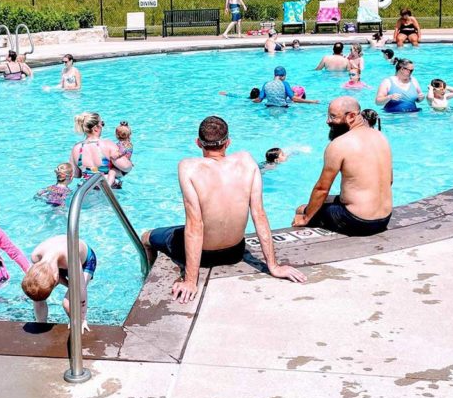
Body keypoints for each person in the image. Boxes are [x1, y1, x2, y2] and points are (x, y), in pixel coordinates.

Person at [142, 116, 306, 303]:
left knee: (146, 237)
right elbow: (258, 214)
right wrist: (274, 266)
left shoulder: (188, 167)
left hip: (204, 256)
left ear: (198, 143)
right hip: (235, 251)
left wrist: (190, 280)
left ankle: (145, 277)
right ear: (228, 142)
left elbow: (195, 225)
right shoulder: (246, 160)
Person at [293, 97, 393, 236]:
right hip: (384, 219)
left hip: (358, 221)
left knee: (302, 209)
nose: (328, 121)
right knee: (327, 201)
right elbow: (390, 181)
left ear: (351, 116)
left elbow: (322, 189)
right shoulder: (380, 137)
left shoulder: (339, 144)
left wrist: (306, 218)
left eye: (333, 116)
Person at [22, 235, 97, 332]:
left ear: (56, 277)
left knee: (67, 303)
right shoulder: (36, 257)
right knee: (37, 295)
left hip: (85, 262)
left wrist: (82, 318)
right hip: (59, 262)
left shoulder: (71, 259)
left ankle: (77, 322)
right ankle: (41, 323)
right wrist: (68, 284)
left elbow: (81, 290)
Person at [69, 112, 133, 187]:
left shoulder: (76, 148)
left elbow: (76, 174)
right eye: (102, 124)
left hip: (86, 189)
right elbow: (125, 167)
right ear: (96, 128)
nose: (102, 127)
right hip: (107, 190)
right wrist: (129, 162)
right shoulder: (108, 145)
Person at [255, 66, 319, 108]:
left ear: (275, 75)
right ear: (282, 76)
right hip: (282, 108)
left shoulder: (266, 84)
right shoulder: (284, 84)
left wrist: (250, 101)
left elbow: (259, 100)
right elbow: (294, 99)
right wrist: (311, 101)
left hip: (268, 108)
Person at [112, 121, 134, 188]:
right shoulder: (129, 144)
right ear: (129, 134)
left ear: (116, 135)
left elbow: (121, 152)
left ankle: (114, 183)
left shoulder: (122, 144)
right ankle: (117, 182)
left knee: (111, 172)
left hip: (121, 169)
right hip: (124, 168)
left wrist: (113, 156)